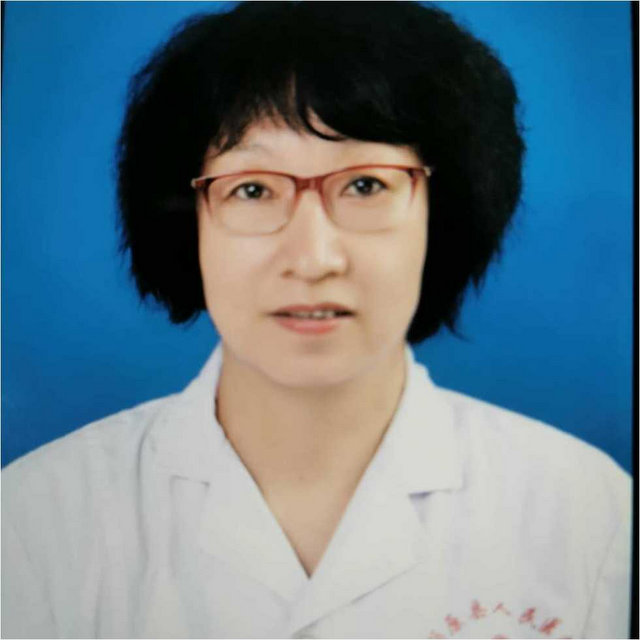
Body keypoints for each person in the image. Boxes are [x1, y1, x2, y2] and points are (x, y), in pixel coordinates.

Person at [2, 2, 631, 638]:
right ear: (186, 222)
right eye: (252, 189)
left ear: (443, 215)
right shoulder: (36, 522)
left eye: (365, 185)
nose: (312, 258)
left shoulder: (586, 512)